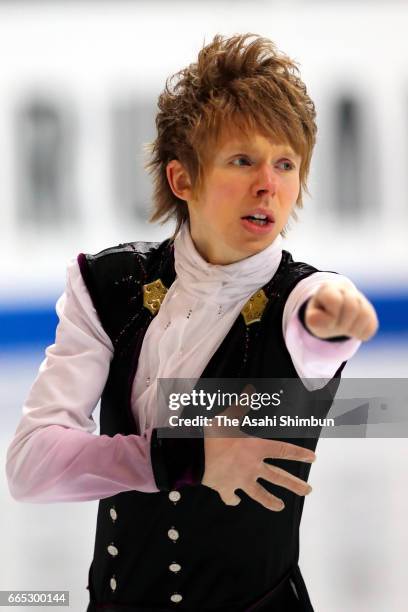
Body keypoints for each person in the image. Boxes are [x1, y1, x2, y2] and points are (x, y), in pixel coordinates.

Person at [6, 33, 378, 611]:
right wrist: (181, 459)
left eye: (285, 163)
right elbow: (31, 468)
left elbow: (320, 322)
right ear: (183, 180)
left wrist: (336, 315)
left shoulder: (303, 298)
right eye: (242, 160)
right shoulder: (110, 289)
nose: (269, 184)